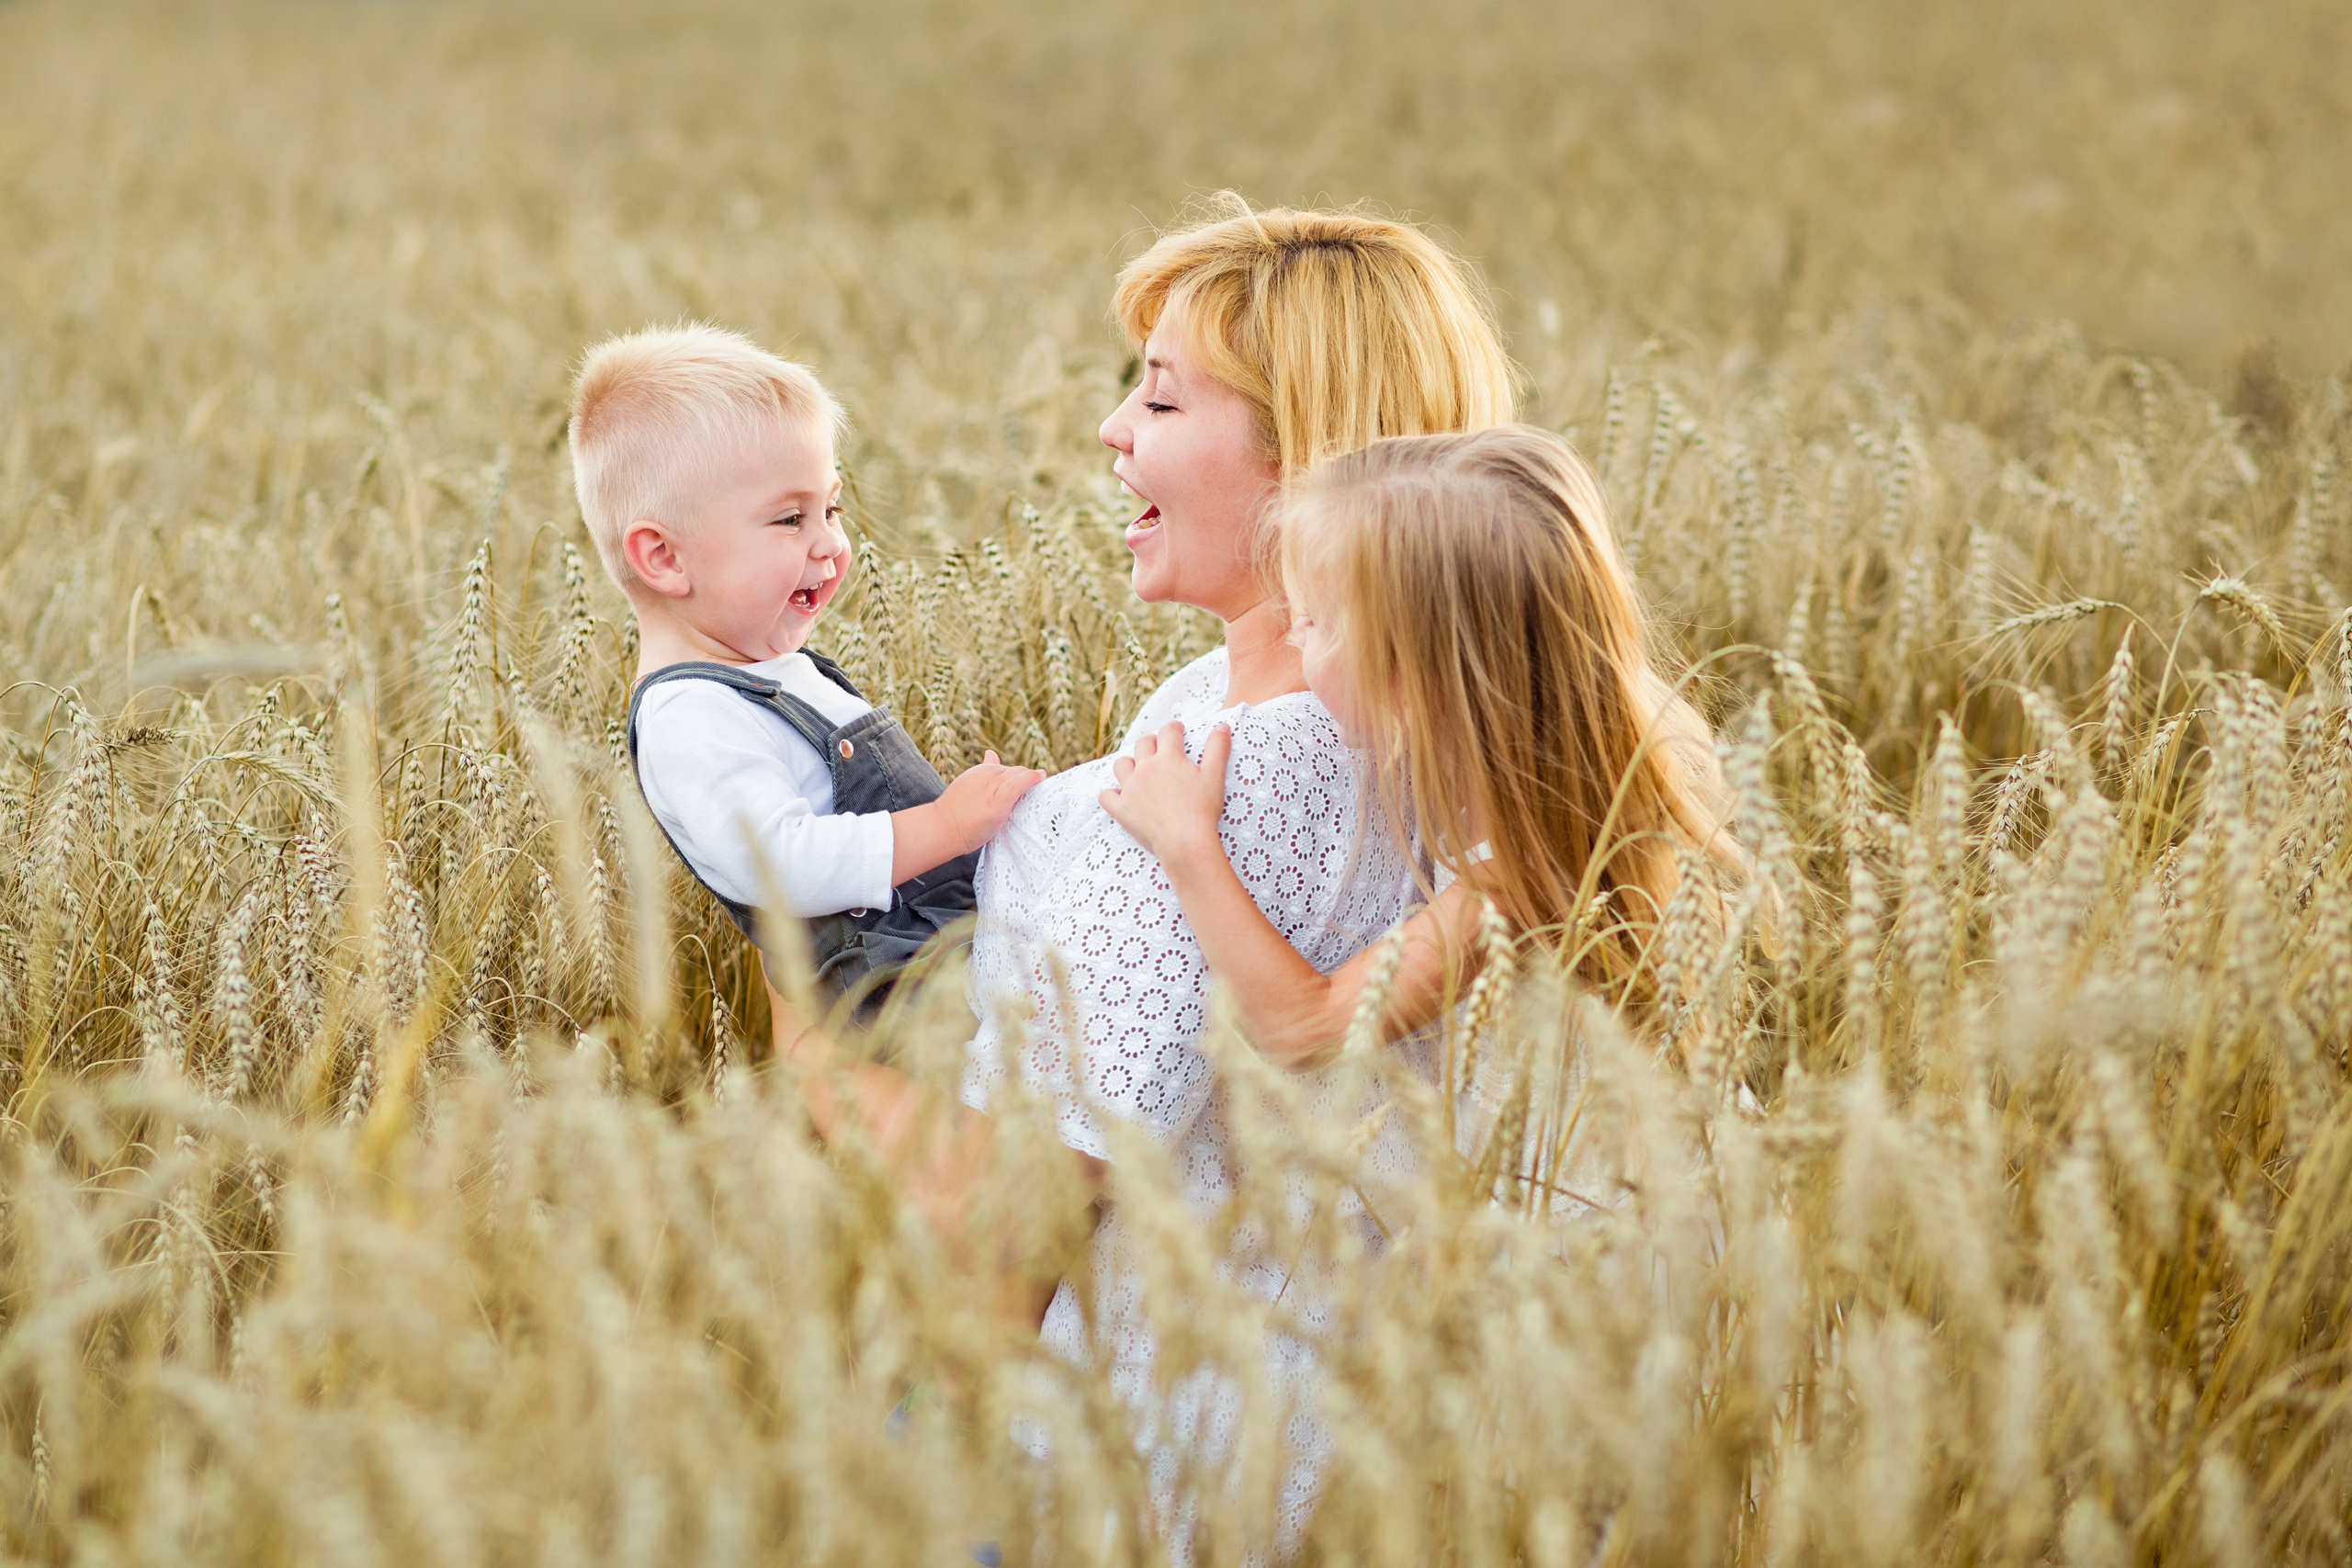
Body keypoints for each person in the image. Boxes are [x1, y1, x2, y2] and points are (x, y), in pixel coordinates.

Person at [1102, 424, 1739, 1066]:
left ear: (1412, 676)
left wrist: (1187, 841)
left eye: (1318, 619)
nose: (1294, 631)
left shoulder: (1519, 878)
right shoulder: (1482, 786)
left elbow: (1306, 1029)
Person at [567, 323, 1043, 1009]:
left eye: (833, 507)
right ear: (666, 559)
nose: (831, 542)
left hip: (955, 939)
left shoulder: (764, 666)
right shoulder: (688, 717)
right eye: (791, 519)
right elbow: (780, 862)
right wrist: (945, 826)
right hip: (907, 987)